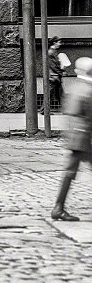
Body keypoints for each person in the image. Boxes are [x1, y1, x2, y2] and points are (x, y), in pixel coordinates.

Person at [52, 56, 92, 221]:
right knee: (69, 172)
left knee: (69, 172)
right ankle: (58, 208)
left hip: (75, 137)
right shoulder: (88, 89)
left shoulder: (75, 88)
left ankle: (59, 207)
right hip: (83, 138)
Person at [43, 38, 70, 114]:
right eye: (59, 42)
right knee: (52, 94)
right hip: (53, 77)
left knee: (59, 94)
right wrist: (62, 72)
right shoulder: (50, 52)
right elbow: (53, 66)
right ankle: (44, 110)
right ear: (54, 43)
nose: (60, 44)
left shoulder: (53, 52)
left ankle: (65, 109)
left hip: (55, 76)